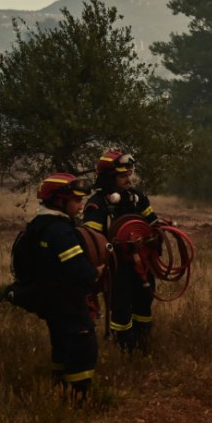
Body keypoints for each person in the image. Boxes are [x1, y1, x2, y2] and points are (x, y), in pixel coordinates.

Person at [25, 172, 99, 401]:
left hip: (50, 302)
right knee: (82, 347)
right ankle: (78, 398)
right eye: (76, 200)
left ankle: (59, 386)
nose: (81, 205)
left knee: (61, 344)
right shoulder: (61, 232)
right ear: (59, 200)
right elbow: (80, 271)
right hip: (69, 302)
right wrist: (98, 272)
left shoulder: (37, 226)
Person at [83, 150, 162, 355]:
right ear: (109, 178)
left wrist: (155, 238)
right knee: (121, 308)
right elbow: (92, 241)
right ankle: (125, 349)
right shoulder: (97, 204)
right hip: (116, 269)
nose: (129, 179)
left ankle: (143, 344)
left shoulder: (137, 198)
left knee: (144, 303)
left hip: (142, 265)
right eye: (122, 176)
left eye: (129, 174)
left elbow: (153, 223)